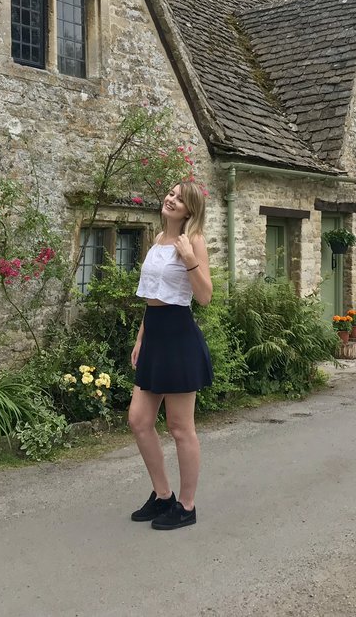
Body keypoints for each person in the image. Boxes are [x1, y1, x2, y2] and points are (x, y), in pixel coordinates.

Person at [128, 181, 213, 530]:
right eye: (171, 194)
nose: (171, 199)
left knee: (180, 428)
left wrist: (191, 261)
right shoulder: (157, 241)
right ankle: (163, 495)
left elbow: (205, 296)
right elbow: (152, 297)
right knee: (139, 420)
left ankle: (187, 505)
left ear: (189, 210)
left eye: (179, 198)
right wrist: (140, 338)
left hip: (179, 337)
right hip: (155, 334)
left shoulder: (193, 241)